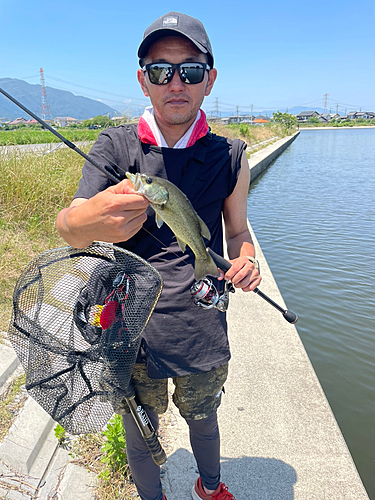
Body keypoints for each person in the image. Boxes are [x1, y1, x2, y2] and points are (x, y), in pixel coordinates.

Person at [56, 11, 261, 500]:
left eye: (190, 70)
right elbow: (69, 228)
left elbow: (237, 231)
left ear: (209, 81)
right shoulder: (114, 146)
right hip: (130, 325)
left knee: (204, 416)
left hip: (200, 319)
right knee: (139, 431)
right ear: (143, 81)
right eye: (159, 70)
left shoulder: (230, 155)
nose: (175, 82)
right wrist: (90, 220)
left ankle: (210, 486)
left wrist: (246, 258)